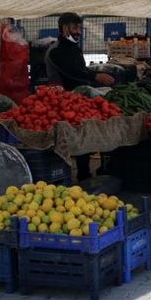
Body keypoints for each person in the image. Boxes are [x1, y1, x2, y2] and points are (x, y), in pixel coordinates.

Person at [45, 12, 115, 181]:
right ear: (64, 28)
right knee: (78, 134)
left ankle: (86, 172)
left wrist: (95, 77)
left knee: (85, 132)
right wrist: (95, 77)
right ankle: (81, 173)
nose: (79, 31)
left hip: (78, 98)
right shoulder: (56, 51)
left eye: (80, 28)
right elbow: (72, 74)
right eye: (75, 27)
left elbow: (81, 70)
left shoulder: (73, 48)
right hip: (63, 101)